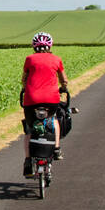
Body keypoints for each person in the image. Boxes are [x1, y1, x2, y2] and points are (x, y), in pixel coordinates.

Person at [21, 32, 68, 178]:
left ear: (34, 46)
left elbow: (24, 79)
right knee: (53, 120)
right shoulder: (56, 59)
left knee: (29, 128)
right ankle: (56, 149)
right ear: (50, 45)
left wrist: (26, 87)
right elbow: (64, 80)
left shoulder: (29, 59)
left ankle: (28, 160)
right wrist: (63, 88)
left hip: (31, 100)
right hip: (51, 100)